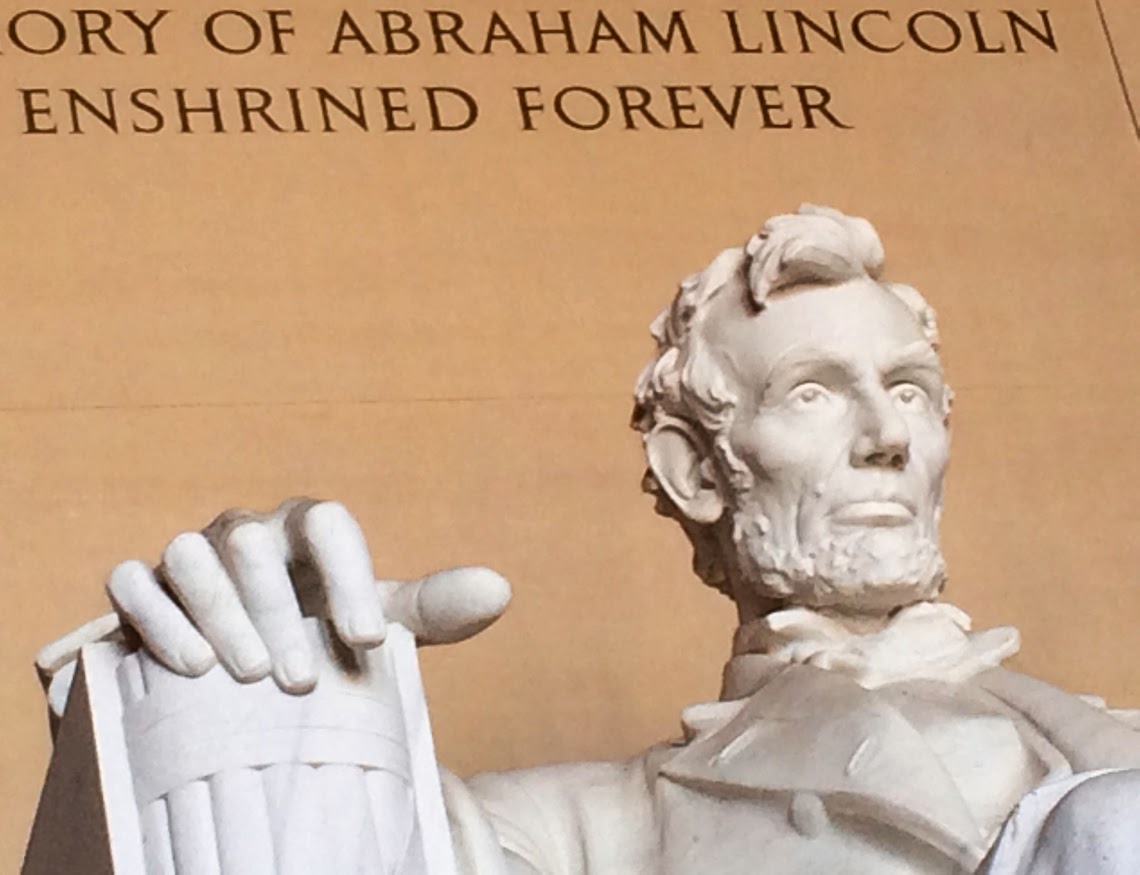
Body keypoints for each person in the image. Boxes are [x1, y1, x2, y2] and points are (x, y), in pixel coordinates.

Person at [40, 206, 1140, 873]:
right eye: (815, 394)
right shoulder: (583, 830)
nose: (887, 436)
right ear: (696, 470)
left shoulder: (1108, 742)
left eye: (911, 390)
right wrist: (242, 686)